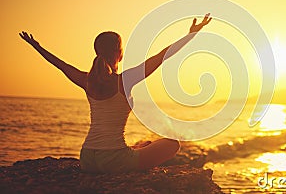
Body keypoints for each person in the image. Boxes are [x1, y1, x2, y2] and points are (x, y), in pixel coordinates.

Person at [19, 13, 212, 173]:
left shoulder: (87, 80)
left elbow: (60, 65)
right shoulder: (125, 80)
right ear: (120, 53)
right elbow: (162, 56)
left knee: (144, 144)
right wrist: (190, 35)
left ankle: (132, 152)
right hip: (114, 160)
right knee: (172, 144)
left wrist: (37, 46)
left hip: (87, 158)